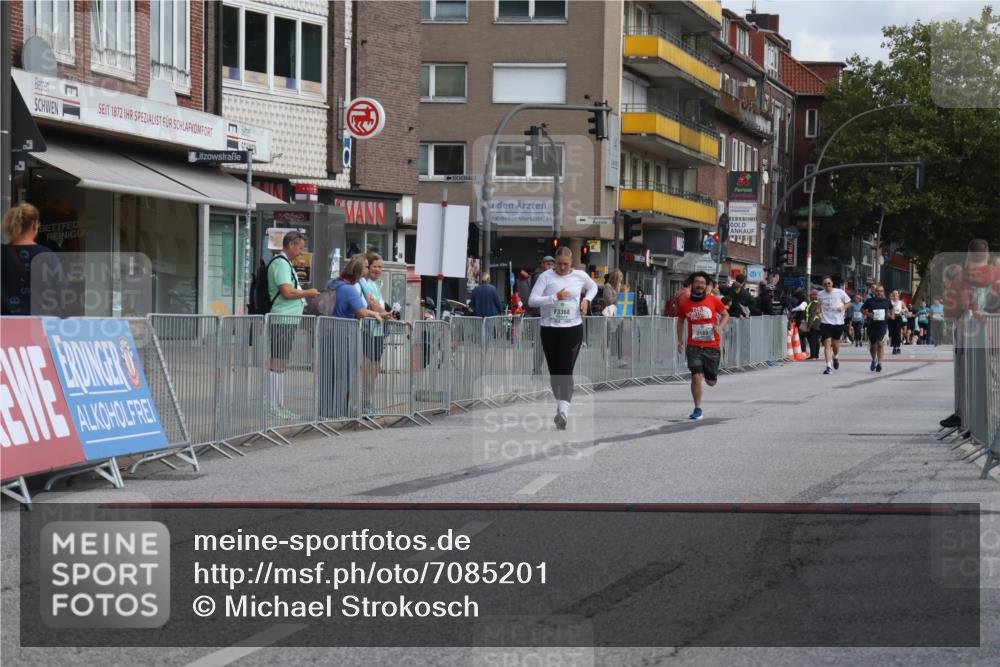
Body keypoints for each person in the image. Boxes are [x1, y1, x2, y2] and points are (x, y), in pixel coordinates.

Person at [528, 246, 597, 430]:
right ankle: (561, 407)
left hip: (572, 328)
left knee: (566, 370)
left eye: (566, 264)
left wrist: (586, 300)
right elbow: (532, 300)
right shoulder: (546, 277)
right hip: (550, 328)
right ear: (554, 263)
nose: (562, 268)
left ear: (571, 262)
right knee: (555, 372)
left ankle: (563, 412)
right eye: (559, 264)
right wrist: (554, 297)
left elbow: (593, 287)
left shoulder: (580, 276)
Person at [266, 231, 320, 420]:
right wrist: (307, 293)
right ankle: (274, 404)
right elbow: (287, 292)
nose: (301, 252)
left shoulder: (285, 263)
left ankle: (278, 403)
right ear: (290, 245)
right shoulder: (281, 263)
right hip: (282, 318)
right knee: (278, 362)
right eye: (300, 248)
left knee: (280, 362)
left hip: (287, 319)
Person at [676, 271, 729, 420]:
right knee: (696, 376)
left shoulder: (714, 301)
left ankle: (708, 372)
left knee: (711, 382)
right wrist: (679, 340)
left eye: (703, 283)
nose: (700, 285)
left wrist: (719, 327)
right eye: (697, 282)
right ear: (692, 284)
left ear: (706, 286)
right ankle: (697, 408)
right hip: (693, 345)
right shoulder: (685, 303)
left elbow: (726, 315)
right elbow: (680, 321)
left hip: (712, 345)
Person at [1, 202, 66, 316]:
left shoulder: (2, 253)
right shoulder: (47, 255)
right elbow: (62, 290)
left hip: (6, 323)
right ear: (34, 225)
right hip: (40, 322)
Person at [358, 252, 392, 414]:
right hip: (368, 331)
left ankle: (367, 401)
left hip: (377, 330)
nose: (378, 270)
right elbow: (374, 306)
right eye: (375, 266)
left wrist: (388, 314)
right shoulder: (365, 284)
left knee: (375, 368)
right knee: (368, 368)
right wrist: (386, 314)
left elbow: (379, 306)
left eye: (380, 267)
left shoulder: (373, 284)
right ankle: (363, 402)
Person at [817, 276, 851, 374]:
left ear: (832, 284)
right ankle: (828, 366)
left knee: (835, 344)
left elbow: (849, 303)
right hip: (825, 322)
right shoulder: (820, 294)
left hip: (838, 322)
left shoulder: (840, 292)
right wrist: (818, 312)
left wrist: (843, 307)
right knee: (827, 342)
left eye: (829, 283)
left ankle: (835, 357)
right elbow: (819, 306)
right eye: (825, 284)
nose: (827, 285)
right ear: (823, 285)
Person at [862, 283, 893, 372]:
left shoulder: (887, 301)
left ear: (883, 292)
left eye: (881, 291)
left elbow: (892, 308)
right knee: (873, 345)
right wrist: (868, 314)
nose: (879, 293)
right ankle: (873, 360)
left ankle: (879, 363)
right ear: (875, 292)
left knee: (880, 344)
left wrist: (892, 315)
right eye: (878, 291)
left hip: (882, 325)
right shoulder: (869, 301)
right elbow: (862, 309)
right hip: (872, 325)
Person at [804, 289, 822, 359]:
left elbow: (811, 315)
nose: (810, 296)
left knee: (812, 340)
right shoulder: (819, 303)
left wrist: (809, 326)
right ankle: (816, 355)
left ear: (814, 295)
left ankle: (813, 355)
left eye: (811, 295)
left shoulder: (813, 303)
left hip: (814, 325)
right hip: (818, 324)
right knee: (816, 340)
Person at [888, 290, 905, 354]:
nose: (895, 295)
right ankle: (894, 347)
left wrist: (903, 310)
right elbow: (887, 310)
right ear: (892, 295)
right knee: (892, 333)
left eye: (896, 294)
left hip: (898, 318)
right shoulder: (890, 302)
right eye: (894, 294)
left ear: (898, 295)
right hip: (891, 318)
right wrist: (889, 314)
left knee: (897, 332)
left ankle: (897, 347)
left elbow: (906, 309)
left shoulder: (901, 302)